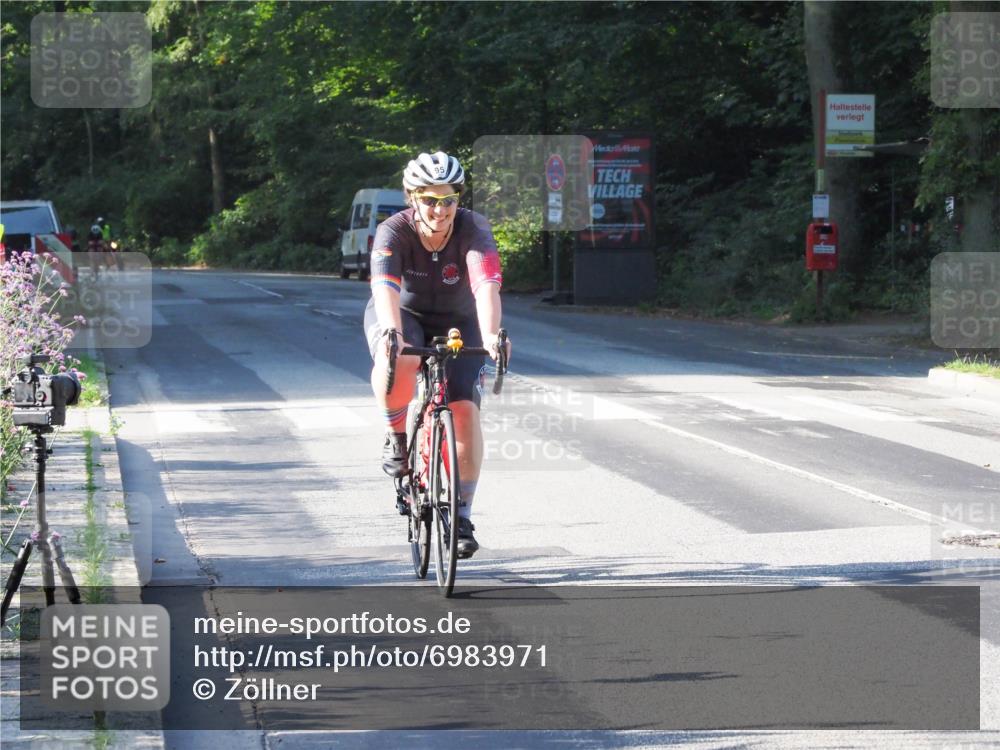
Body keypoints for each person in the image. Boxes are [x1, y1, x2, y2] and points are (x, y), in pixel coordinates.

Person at [363, 151, 509, 559]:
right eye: (430, 199)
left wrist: (494, 334)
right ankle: (396, 438)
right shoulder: (393, 231)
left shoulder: (474, 228)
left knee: (464, 409)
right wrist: (392, 333)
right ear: (412, 198)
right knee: (399, 358)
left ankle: (461, 514)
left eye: (448, 200)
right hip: (402, 313)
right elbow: (384, 290)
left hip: (459, 318)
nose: (440, 210)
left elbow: (486, 287)